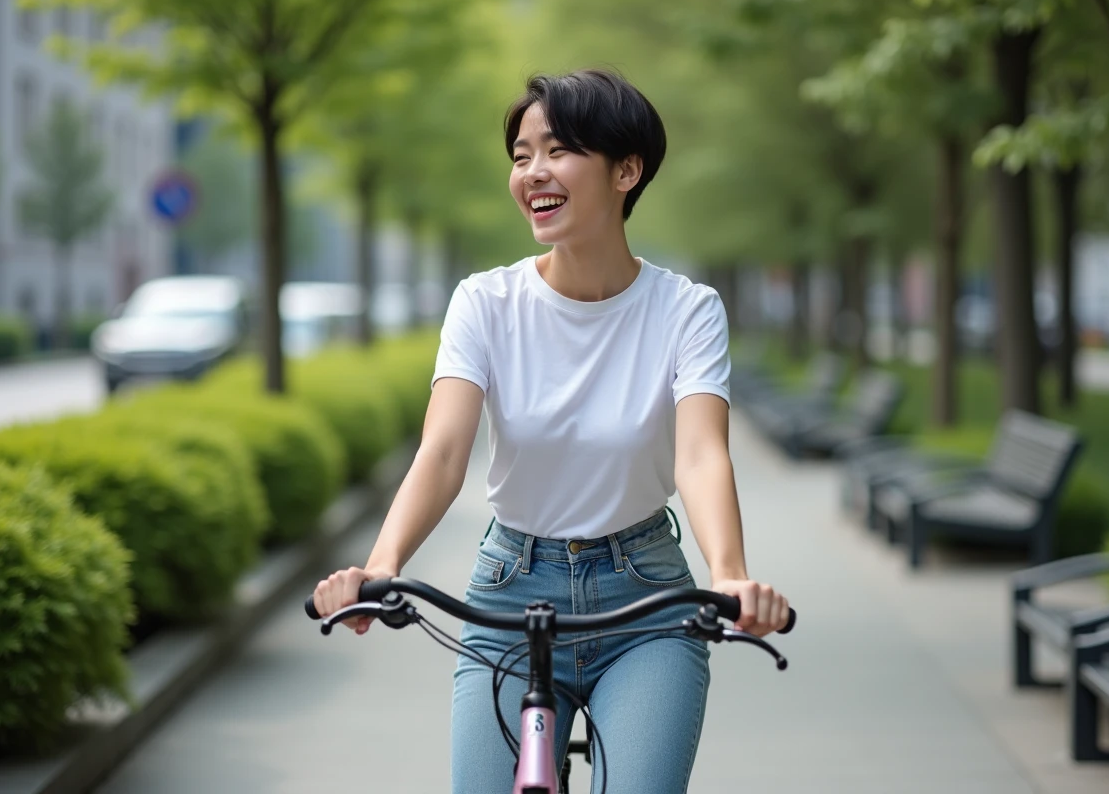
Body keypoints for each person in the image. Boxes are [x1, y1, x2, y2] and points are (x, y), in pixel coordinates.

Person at [311, 68, 790, 793]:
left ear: (626, 170)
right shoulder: (486, 303)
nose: (533, 171)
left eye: (558, 150)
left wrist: (729, 576)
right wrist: (381, 566)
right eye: (520, 154)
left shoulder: (686, 311)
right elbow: (442, 452)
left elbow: (699, 455)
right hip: (509, 594)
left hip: (646, 600)